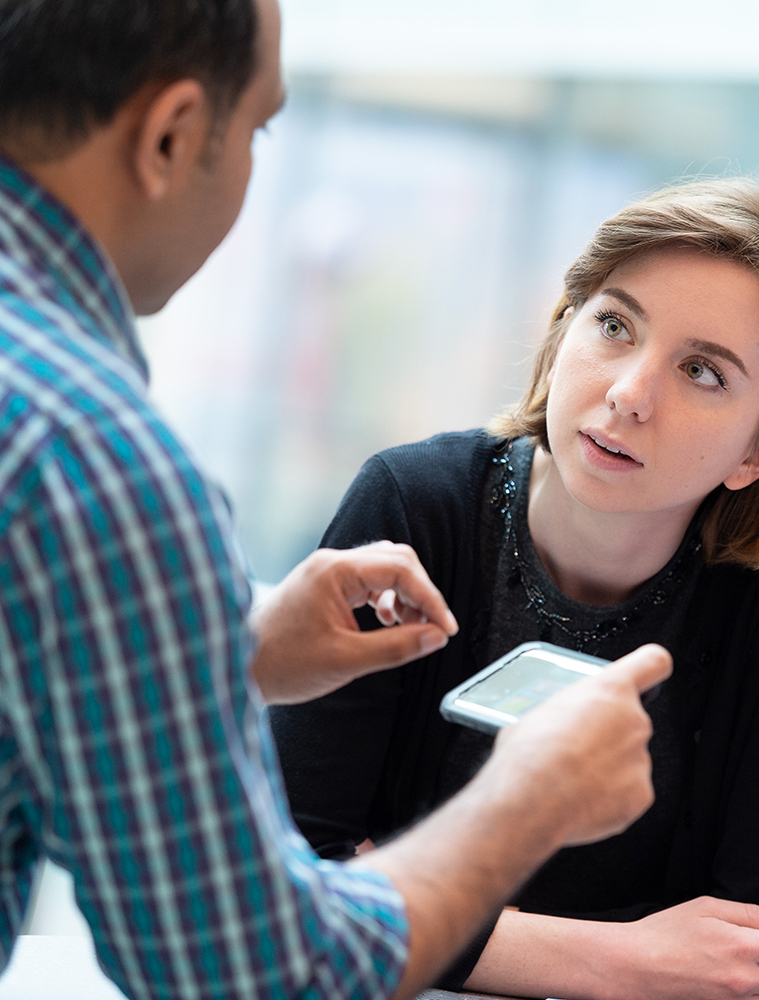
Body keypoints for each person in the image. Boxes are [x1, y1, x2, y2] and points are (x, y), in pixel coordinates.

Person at [0, 1, 673, 998]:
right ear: (174, 135)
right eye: (263, 127)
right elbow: (254, 974)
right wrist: (526, 803)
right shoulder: (96, 459)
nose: (632, 394)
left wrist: (230, 650)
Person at [271, 178, 759, 1000]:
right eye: (615, 325)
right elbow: (293, 883)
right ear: (561, 335)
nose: (628, 392)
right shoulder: (414, 507)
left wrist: (406, 907)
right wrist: (626, 963)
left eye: (702, 371)